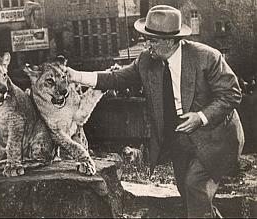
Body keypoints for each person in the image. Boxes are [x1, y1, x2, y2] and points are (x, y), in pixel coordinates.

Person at [67, 5, 244, 218]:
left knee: (194, 185)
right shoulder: (146, 60)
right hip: (179, 138)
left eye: (152, 40)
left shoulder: (207, 57)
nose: (147, 44)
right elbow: (116, 78)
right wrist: (76, 75)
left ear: (170, 41)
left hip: (216, 137)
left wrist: (201, 117)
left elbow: (232, 94)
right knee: (190, 197)